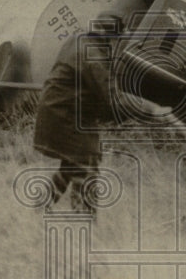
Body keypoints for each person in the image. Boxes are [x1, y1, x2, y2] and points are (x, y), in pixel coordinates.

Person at [33, 13, 125, 214]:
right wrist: (150, 108)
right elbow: (113, 98)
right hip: (66, 116)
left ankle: (40, 208)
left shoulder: (78, 41)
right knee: (87, 166)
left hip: (59, 111)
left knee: (71, 165)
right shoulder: (94, 55)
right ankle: (84, 221)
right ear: (112, 38)